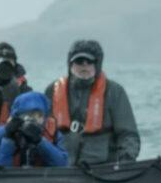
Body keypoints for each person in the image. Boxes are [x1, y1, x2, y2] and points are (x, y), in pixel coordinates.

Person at [48, 38, 141, 166]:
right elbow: (43, 130)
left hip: (101, 168)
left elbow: (128, 135)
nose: (84, 65)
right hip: (62, 166)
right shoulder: (52, 90)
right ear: (70, 65)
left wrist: (126, 162)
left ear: (97, 65)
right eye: (79, 61)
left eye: (90, 61)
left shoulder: (114, 92)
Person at [0, 89, 71, 170]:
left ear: (45, 117)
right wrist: (8, 140)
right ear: (16, 116)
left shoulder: (54, 134)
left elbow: (62, 164)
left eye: (39, 116)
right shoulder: (0, 134)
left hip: (42, 182)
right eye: (28, 115)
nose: (33, 120)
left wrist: (40, 142)